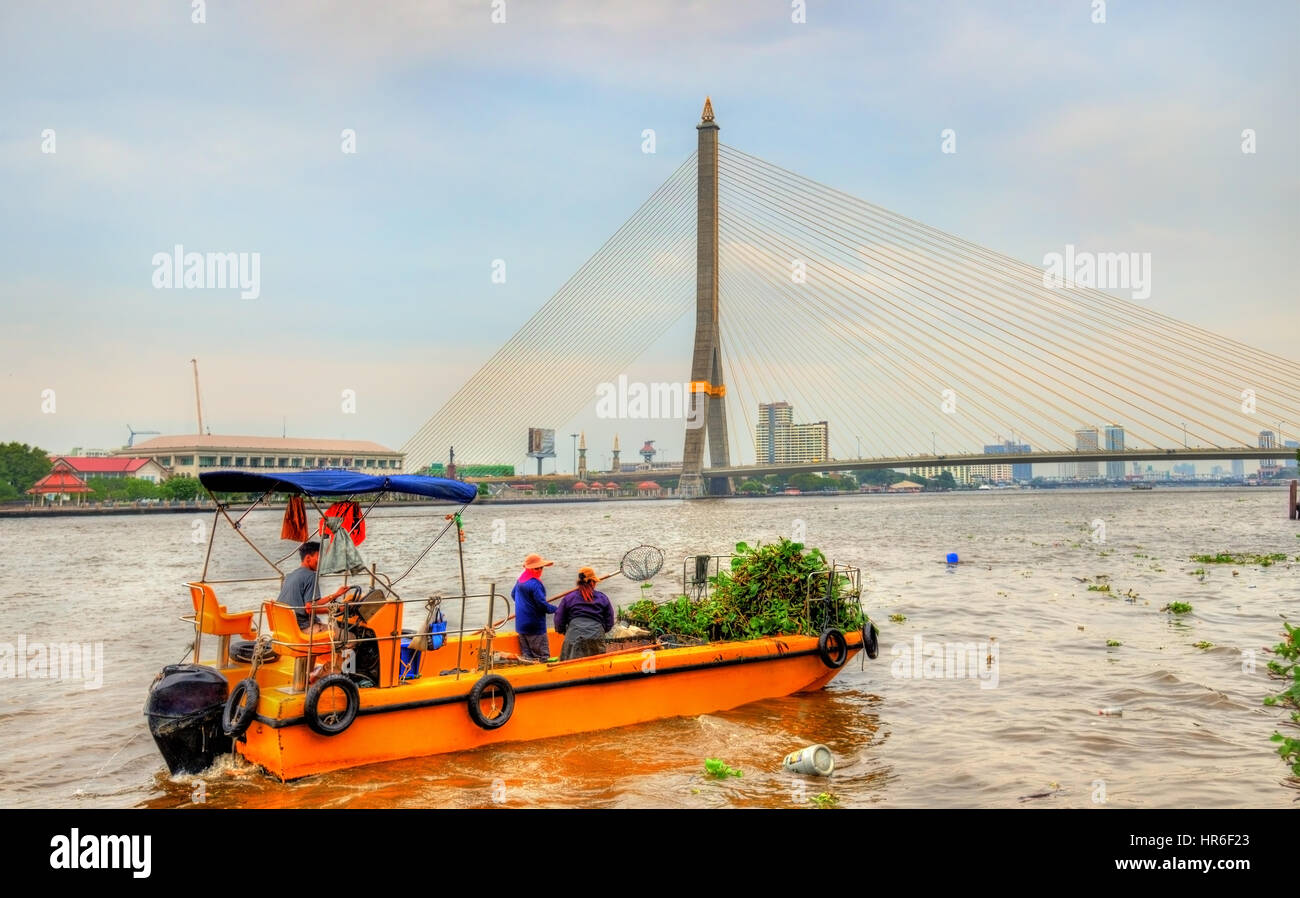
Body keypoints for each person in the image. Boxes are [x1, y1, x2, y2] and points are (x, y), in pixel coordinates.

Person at [278, 540, 350, 636]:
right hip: (305, 628)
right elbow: (310, 609)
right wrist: (338, 609)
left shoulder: (290, 576)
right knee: (350, 638)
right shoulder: (311, 576)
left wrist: (335, 595)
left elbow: (310, 603)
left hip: (288, 628)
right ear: (308, 558)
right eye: (320, 558)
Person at [554, 566, 614, 661]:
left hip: (574, 635)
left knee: (569, 662)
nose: (595, 584)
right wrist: (601, 631)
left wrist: (565, 631)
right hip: (596, 635)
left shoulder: (568, 598)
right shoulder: (602, 598)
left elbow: (558, 619)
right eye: (595, 582)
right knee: (597, 662)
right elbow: (610, 622)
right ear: (591, 582)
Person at [512, 552, 557, 662]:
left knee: (528, 658)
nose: (541, 570)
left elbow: (513, 595)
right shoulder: (535, 584)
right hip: (535, 627)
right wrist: (556, 609)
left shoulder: (520, 580)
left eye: (541, 568)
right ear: (531, 569)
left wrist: (525, 605)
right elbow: (542, 605)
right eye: (538, 568)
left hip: (521, 625)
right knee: (543, 658)